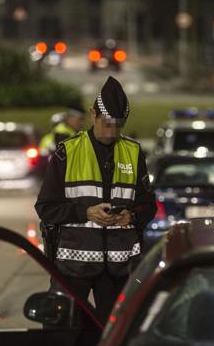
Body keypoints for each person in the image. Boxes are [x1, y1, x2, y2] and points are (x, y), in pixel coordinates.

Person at [35, 76, 156, 322]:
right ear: (93, 113)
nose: (112, 132)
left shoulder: (133, 153)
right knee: (64, 334)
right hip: (73, 268)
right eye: (107, 124)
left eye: (118, 125)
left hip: (119, 270)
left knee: (113, 336)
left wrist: (131, 216)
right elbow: (46, 208)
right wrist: (85, 212)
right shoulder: (67, 152)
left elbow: (149, 205)